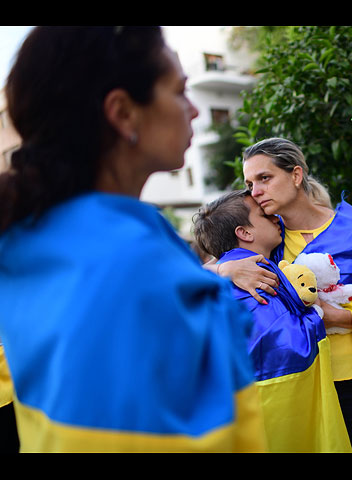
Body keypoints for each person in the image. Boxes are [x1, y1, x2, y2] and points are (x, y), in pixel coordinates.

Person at [0, 26, 265, 453]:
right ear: (123, 113)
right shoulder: (131, 262)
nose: (195, 111)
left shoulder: (30, 239)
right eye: (179, 91)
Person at [209, 137, 352, 453]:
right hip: (304, 384)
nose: (254, 191)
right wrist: (224, 271)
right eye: (249, 182)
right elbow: (202, 270)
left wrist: (335, 316)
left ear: (296, 176)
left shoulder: (349, 230)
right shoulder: (267, 236)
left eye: (264, 178)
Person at [192, 190, 351, 453]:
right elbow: (286, 347)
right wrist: (315, 312)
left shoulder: (220, 277)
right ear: (244, 233)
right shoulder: (255, 281)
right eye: (264, 215)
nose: (275, 217)